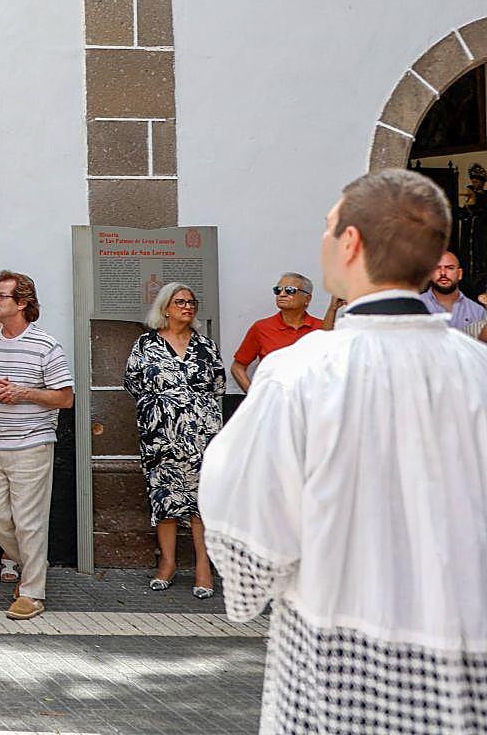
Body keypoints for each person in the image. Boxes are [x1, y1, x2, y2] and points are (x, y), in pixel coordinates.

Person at [202, 169, 487, 733]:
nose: (325, 240)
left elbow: (249, 530)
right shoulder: (477, 372)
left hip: (336, 664)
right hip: (461, 661)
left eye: (328, 228)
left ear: (351, 243)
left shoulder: (299, 372)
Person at [0, 271, 73, 621]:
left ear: (22, 303)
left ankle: (31, 593)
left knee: (28, 521)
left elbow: (66, 399)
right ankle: (33, 566)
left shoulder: (46, 346)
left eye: (1, 296)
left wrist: (23, 393)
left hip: (32, 444)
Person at [123, 282, 223, 597]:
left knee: (202, 503)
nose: (188, 307)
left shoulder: (206, 346)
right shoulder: (146, 344)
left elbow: (218, 384)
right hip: (160, 438)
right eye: (180, 301)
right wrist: (160, 410)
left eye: (192, 302)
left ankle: (203, 568)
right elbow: (132, 382)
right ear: (165, 308)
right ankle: (166, 564)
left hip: (202, 437)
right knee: (164, 499)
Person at [229, 273, 323, 392]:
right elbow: (237, 368)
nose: (282, 294)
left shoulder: (322, 328)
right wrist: (255, 397)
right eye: (278, 290)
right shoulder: (261, 328)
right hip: (276, 404)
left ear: (307, 298)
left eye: (290, 290)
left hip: (313, 403)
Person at [421, 250, 487, 338]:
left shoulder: (477, 311)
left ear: (460, 274)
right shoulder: (416, 305)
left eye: (450, 268)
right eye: (437, 268)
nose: (443, 273)